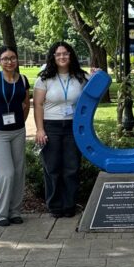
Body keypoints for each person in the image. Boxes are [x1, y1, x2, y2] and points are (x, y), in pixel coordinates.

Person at [34, 42, 87, 218]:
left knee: (72, 167)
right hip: (51, 126)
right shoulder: (44, 78)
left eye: (65, 54)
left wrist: (95, 76)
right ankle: (55, 206)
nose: (62, 57)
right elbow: (38, 105)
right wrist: (40, 129)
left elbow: (94, 96)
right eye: (58, 54)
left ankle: (69, 204)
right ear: (53, 57)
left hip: (74, 126)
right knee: (52, 168)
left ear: (71, 56)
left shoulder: (80, 77)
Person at [0, 47, 31, 228]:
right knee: (5, 173)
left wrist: (21, 123)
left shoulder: (23, 80)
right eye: (5, 59)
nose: (9, 61)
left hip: (18, 131)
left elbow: (26, 104)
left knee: (18, 172)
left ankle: (14, 211)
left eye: (12, 58)